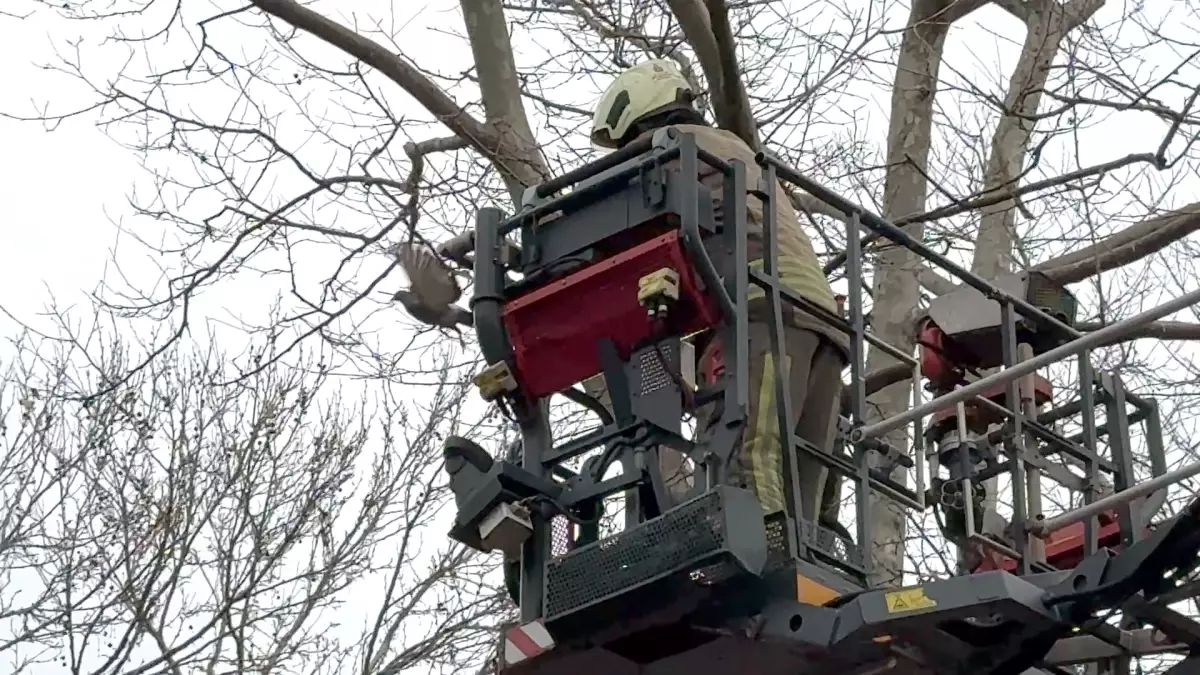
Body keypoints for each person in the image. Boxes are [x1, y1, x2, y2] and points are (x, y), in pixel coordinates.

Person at [588, 59, 851, 527]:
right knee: (802, 493)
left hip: (762, 310)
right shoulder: (730, 151)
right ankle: (801, 567)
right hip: (819, 320)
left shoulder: (670, 145)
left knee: (748, 459)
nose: (627, 149)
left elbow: (595, 206)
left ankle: (761, 569)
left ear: (641, 115)